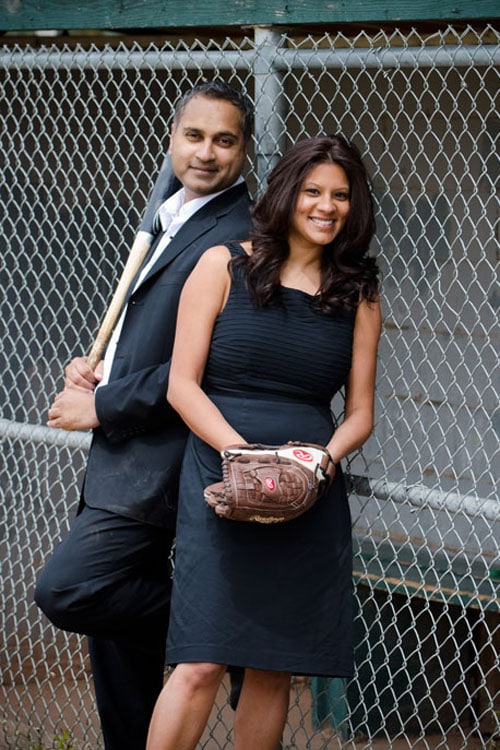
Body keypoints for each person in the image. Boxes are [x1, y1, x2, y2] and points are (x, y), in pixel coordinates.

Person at [34, 80, 254, 750]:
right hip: (123, 454)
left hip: (163, 460)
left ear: (245, 149)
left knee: (69, 590)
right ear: (171, 139)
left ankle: (221, 628)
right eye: (194, 136)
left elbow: (207, 367)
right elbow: (152, 335)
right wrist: (101, 368)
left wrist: (100, 404)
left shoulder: (240, 235)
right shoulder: (171, 212)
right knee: (118, 653)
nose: (207, 152)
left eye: (225, 140)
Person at [146, 134, 382, 750]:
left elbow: (359, 414)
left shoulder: (359, 293)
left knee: (273, 667)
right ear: (286, 194)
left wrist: (315, 466)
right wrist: (245, 459)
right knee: (199, 662)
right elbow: (181, 385)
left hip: (306, 492)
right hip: (224, 480)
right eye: (312, 191)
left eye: (341, 196)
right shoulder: (223, 264)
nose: (326, 206)